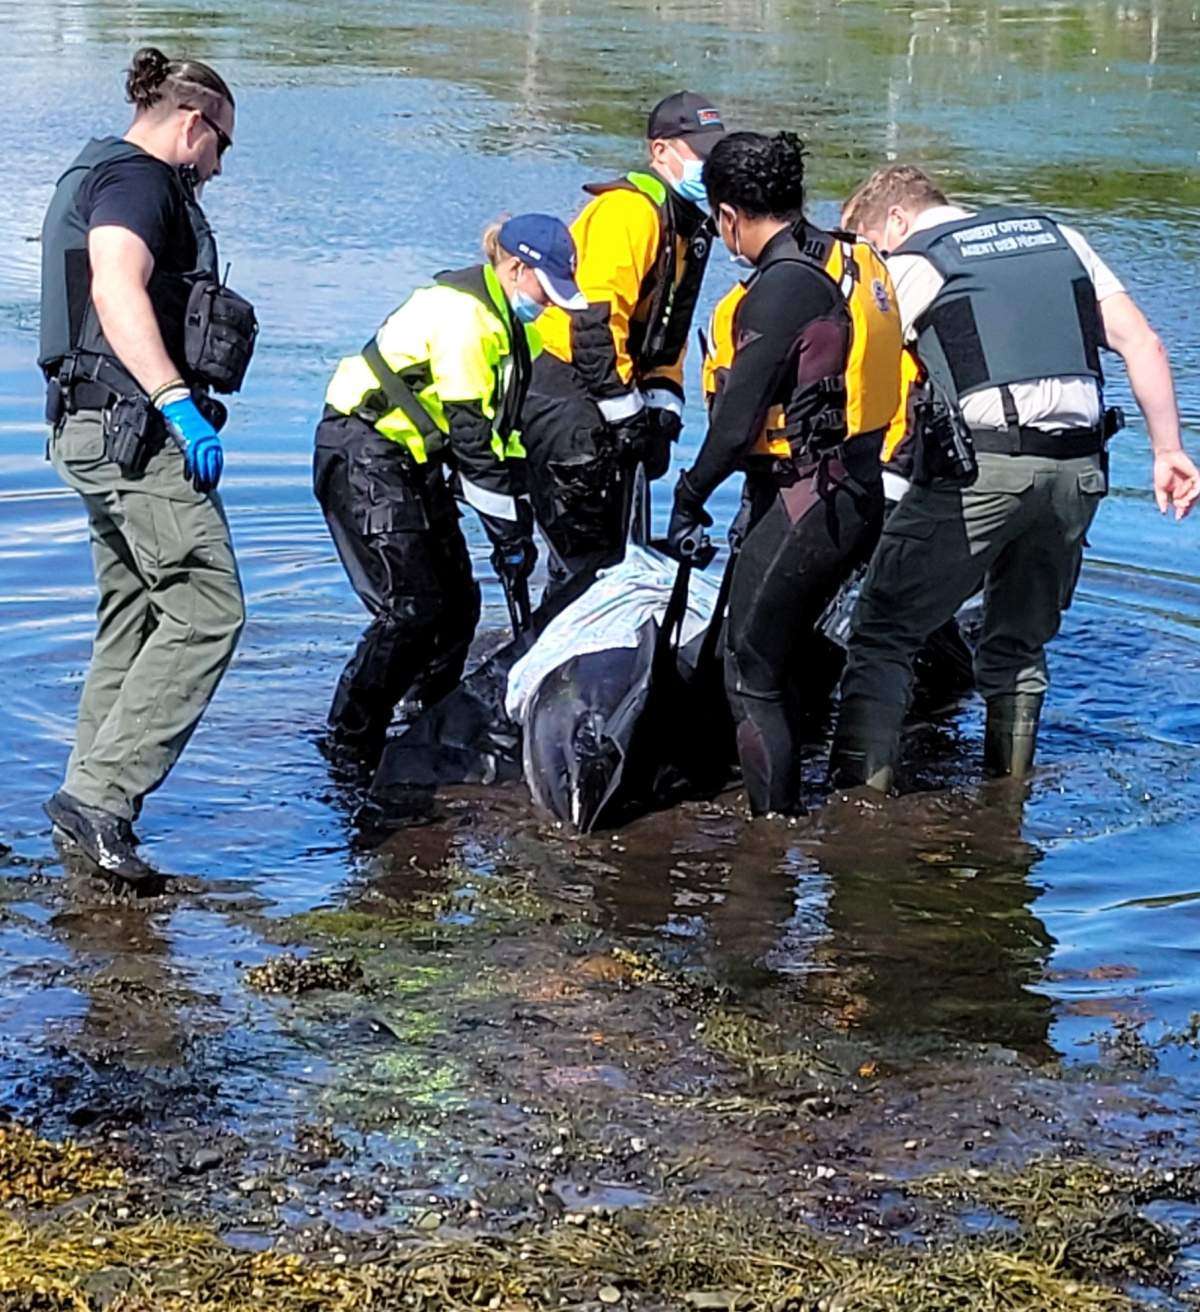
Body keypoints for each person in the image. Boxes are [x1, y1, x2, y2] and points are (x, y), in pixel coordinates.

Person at [829, 164, 1200, 791]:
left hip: (985, 467)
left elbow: (859, 365)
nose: (873, 261)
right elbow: (1145, 345)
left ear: (895, 219)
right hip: (1080, 471)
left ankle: (855, 804)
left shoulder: (916, 261)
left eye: (870, 245)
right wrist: (1169, 451)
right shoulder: (1062, 238)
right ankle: (1006, 800)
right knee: (1019, 647)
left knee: (884, 632)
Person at [38, 47, 256, 885]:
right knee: (208, 608)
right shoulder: (139, 179)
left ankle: (86, 798)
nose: (218, 167)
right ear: (193, 123)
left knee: (132, 614)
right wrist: (175, 401)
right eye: (221, 146)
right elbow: (115, 285)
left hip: (88, 428)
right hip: (132, 429)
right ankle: (101, 798)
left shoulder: (94, 167)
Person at [666, 132, 902, 816]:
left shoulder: (783, 288)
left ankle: (774, 832)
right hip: (851, 489)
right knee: (774, 656)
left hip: (811, 500)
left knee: (751, 671)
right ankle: (792, 803)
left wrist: (688, 497)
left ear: (730, 215)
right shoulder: (843, 258)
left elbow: (736, 426)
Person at [314, 214, 585, 768]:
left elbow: (503, 440)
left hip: (412, 462)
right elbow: (471, 440)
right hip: (363, 450)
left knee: (459, 605)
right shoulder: (465, 319)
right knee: (410, 608)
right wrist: (508, 534)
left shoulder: (514, 330)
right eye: (546, 288)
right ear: (516, 268)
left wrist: (524, 513)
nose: (549, 304)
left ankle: (429, 717)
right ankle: (350, 740)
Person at [521, 91, 726, 585]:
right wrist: (625, 413)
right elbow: (592, 321)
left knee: (617, 550)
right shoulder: (630, 211)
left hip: (606, 388)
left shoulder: (687, 224)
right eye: (699, 154)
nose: (709, 168)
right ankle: (562, 627)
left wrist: (663, 403)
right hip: (564, 387)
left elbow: (668, 329)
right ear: (660, 151)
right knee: (588, 560)